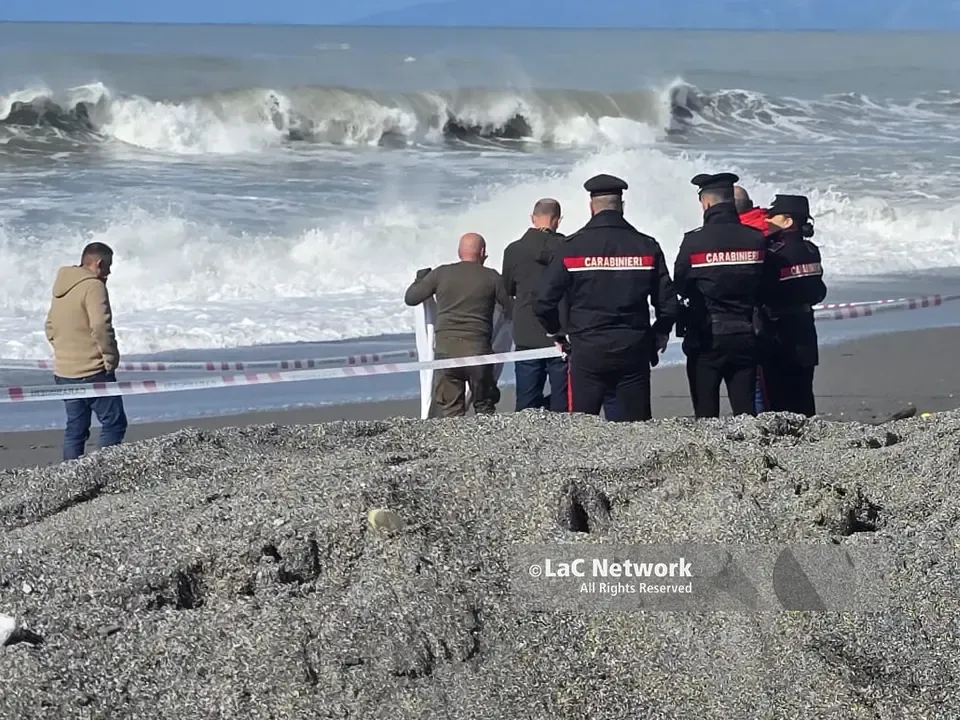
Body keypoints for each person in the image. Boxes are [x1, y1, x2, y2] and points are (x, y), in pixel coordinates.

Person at [535, 174, 678, 421]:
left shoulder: (571, 247)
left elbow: (543, 303)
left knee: (583, 429)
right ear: (621, 206)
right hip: (633, 347)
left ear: (592, 207)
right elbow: (669, 305)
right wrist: (658, 334)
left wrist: (557, 333)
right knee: (637, 428)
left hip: (587, 349)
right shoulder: (646, 246)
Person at [674, 172, 767, 418]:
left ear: (706, 204)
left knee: (706, 413)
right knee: (746, 413)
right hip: (746, 333)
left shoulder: (694, 242)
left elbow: (680, 286)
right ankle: (750, 455)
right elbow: (765, 285)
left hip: (706, 337)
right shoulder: (755, 239)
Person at [404, 232, 513, 418]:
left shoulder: (441, 273)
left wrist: (420, 279)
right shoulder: (492, 277)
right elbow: (511, 309)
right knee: (484, 410)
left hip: (446, 353)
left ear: (459, 252)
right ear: (483, 252)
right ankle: (485, 444)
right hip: (478, 354)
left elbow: (411, 298)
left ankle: (454, 445)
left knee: (451, 413)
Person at [44, 241, 128, 461]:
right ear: (98, 263)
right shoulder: (94, 286)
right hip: (93, 369)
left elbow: (50, 326)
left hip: (64, 371)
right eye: (108, 266)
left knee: (76, 428)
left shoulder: (62, 286)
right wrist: (110, 357)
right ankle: (102, 472)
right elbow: (101, 325)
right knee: (114, 422)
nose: (109, 272)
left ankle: (70, 478)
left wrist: (63, 350)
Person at [757, 194, 827, 417]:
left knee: (777, 399)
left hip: (778, 332)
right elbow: (819, 292)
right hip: (805, 328)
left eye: (773, 216)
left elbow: (762, 291)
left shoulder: (773, 253)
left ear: (788, 221)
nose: (768, 220)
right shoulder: (811, 250)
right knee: (804, 392)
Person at [501, 198, 569, 412]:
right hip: (560, 331)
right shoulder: (567, 247)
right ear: (558, 221)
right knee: (563, 403)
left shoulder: (513, 250)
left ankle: (526, 443)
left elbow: (508, 289)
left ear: (532, 219)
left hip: (526, 331)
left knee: (526, 404)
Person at [734, 183, 773, 413]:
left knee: (757, 383)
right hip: (771, 314)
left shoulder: (745, 232)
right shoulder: (767, 224)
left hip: (751, 318)